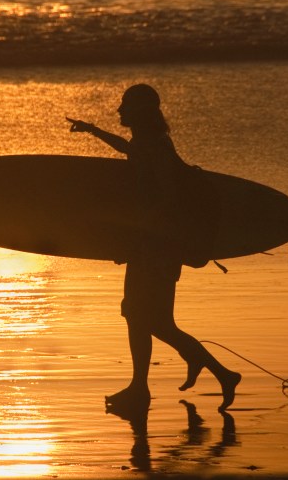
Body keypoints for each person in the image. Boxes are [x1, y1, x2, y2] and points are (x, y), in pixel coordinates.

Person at [68, 84, 241, 413]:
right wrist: (94, 132)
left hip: (157, 247)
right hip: (153, 244)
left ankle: (146, 388)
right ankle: (211, 375)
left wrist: (142, 227)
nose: (119, 111)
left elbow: (167, 194)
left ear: (140, 112)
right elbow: (131, 150)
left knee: (140, 315)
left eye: (125, 106)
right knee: (152, 320)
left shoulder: (156, 146)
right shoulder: (148, 142)